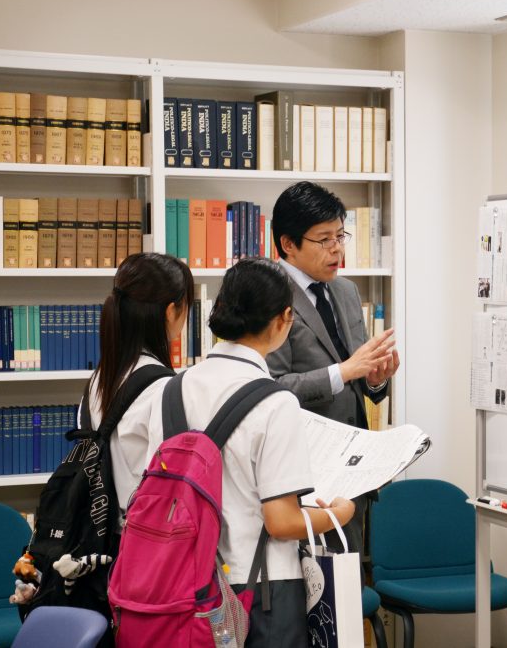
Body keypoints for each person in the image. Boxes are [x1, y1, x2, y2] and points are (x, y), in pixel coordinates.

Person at [149, 258, 356, 645]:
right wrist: (337, 514)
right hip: (260, 589)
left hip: (183, 582)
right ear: (285, 317)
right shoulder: (276, 403)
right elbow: (281, 522)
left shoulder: (171, 389)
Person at [266, 182, 398, 553]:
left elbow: (360, 377)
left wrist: (375, 379)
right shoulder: (269, 295)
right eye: (324, 239)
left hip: (353, 467)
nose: (337, 248)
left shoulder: (346, 291)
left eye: (340, 235)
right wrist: (344, 372)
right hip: (300, 474)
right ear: (288, 244)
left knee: (349, 583)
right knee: (313, 596)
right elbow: (270, 386)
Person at [84, 252, 192, 510]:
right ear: (170, 312)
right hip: (141, 536)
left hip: (104, 532)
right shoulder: (163, 388)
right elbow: (172, 481)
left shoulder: (101, 376)